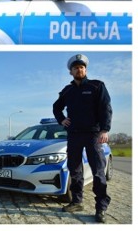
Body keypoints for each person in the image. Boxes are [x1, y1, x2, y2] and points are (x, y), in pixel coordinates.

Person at [53, 54, 112, 223]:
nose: (79, 69)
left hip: (93, 134)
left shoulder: (96, 86)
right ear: (71, 71)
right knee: (75, 169)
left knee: (98, 171)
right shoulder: (67, 90)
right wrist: (61, 120)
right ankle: (77, 201)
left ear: (85, 69)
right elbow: (56, 108)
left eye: (82, 67)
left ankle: (101, 206)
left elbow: (106, 108)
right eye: (76, 67)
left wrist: (105, 130)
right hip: (74, 135)